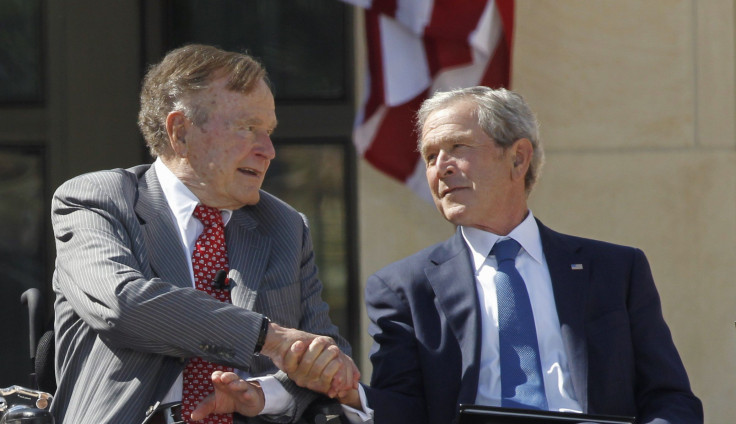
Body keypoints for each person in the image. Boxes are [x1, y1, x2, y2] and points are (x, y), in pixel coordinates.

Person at [202, 86, 704, 424]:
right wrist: (350, 393)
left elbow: (669, 397)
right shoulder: (404, 287)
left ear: (518, 157)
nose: (441, 168)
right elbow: (403, 406)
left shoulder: (614, 269)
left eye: (457, 148)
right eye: (429, 156)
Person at [50, 44, 358, 424]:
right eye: (247, 128)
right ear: (180, 132)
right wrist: (268, 338)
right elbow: (122, 305)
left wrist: (265, 394)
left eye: (269, 132)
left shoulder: (284, 225)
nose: (268, 150)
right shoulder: (97, 200)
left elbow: (326, 357)